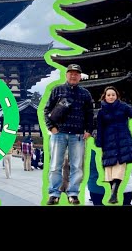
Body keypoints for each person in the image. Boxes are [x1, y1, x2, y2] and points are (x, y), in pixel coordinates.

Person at [44, 64, 94, 205]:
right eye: (71, 73)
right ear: (66, 75)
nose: (73, 76)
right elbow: (47, 110)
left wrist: (89, 130)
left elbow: (90, 114)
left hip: (77, 134)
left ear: (80, 76)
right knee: (55, 165)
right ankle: (54, 193)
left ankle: (73, 193)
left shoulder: (85, 94)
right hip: (59, 133)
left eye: (76, 74)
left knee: (77, 166)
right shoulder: (57, 90)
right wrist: (51, 127)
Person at [95, 86, 132, 204]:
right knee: (109, 167)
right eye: (108, 95)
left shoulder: (123, 107)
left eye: (113, 94)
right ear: (105, 96)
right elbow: (99, 128)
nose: (111, 97)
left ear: (117, 96)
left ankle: (114, 193)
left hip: (122, 139)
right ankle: (112, 191)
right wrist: (99, 142)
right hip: (108, 141)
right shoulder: (101, 111)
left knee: (120, 164)